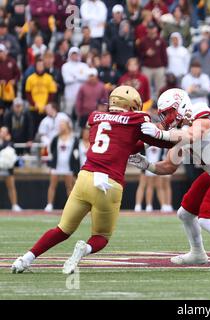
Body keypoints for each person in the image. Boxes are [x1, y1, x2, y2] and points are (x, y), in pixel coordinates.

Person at [11, 86, 173, 274]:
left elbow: (122, 143)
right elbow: (160, 141)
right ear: (130, 105)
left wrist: (143, 140)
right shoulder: (136, 119)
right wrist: (169, 130)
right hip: (109, 184)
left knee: (62, 229)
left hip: (85, 178)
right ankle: (84, 250)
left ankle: (25, 259)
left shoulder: (96, 118)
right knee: (101, 237)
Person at [128, 88, 210, 272]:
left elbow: (192, 135)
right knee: (185, 213)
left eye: (168, 113)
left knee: (207, 219)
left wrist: (160, 135)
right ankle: (198, 253)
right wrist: (146, 165)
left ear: (180, 106)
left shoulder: (200, 112)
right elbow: (169, 166)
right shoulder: (178, 131)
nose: (166, 118)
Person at [44, 120, 78, 212]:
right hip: (57, 166)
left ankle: (71, 206)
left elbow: (76, 152)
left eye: (62, 125)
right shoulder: (56, 138)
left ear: (67, 126)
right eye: (60, 125)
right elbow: (51, 149)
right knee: (52, 185)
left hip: (68, 166)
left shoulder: (73, 138)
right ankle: (49, 204)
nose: (60, 127)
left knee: (69, 187)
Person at [134, 146, 173, 212]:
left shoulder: (161, 142)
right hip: (146, 162)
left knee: (159, 185)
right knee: (144, 184)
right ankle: (141, 205)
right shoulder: (146, 141)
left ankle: (163, 205)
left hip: (158, 163)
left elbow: (164, 151)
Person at [138, 22, 168, 99]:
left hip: (159, 67)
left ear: (156, 29)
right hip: (147, 67)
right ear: (147, 29)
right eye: (149, 28)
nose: (151, 30)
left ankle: (161, 103)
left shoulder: (161, 41)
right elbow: (139, 54)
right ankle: (147, 103)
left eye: (153, 28)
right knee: (146, 87)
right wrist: (146, 53)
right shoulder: (143, 41)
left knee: (161, 88)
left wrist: (165, 65)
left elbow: (164, 54)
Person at [25, 59, 58, 128]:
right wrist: (34, 104)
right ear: (35, 67)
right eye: (38, 65)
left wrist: (47, 105)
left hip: (46, 108)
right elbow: (28, 93)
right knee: (33, 127)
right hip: (34, 108)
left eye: (41, 65)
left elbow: (52, 93)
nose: (40, 67)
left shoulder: (49, 78)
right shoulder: (30, 78)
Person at [61, 47, 90, 117]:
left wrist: (74, 76)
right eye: (73, 54)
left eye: (76, 54)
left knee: (80, 114)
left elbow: (86, 78)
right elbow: (67, 80)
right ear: (69, 55)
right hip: (69, 95)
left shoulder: (84, 66)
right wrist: (80, 77)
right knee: (68, 113)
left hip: (81, 95)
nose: (74, 56)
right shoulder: (65, 66)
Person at [0, 126, 21, 211]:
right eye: (2, 131)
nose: (3, 133)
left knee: (11, 187)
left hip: (8, 169)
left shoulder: (10, 142)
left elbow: (11, 150)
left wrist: (7, 141)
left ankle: (14, 205)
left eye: (5, 132)